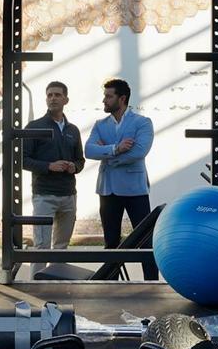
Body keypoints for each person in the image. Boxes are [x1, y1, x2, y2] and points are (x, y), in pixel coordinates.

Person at [84, 78, 158, 280]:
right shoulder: (100, 125)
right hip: (108, 190)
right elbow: (89, 150)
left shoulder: (142, 123)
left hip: (135, 190)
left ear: (122, 98)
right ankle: (111, 283)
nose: (104, 101)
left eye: (109, 96)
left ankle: (151, 283)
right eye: (104, 96)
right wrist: (116, 148)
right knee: (111, 242)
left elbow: (139, 151)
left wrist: (109, 157)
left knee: (145, 241)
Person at [22, 81, 85, 276]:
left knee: (61, 247)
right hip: (44, 196)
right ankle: (36, 289)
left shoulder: (73, 130)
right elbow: (22, 160)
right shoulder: (34, 127)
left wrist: (74, 167)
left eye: (57, 95)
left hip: (68, 196)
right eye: (49, 95)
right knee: (41, 247)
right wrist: (49, 166)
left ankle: (57, 284)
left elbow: (80, 160)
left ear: (66, 99)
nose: (53, 98)